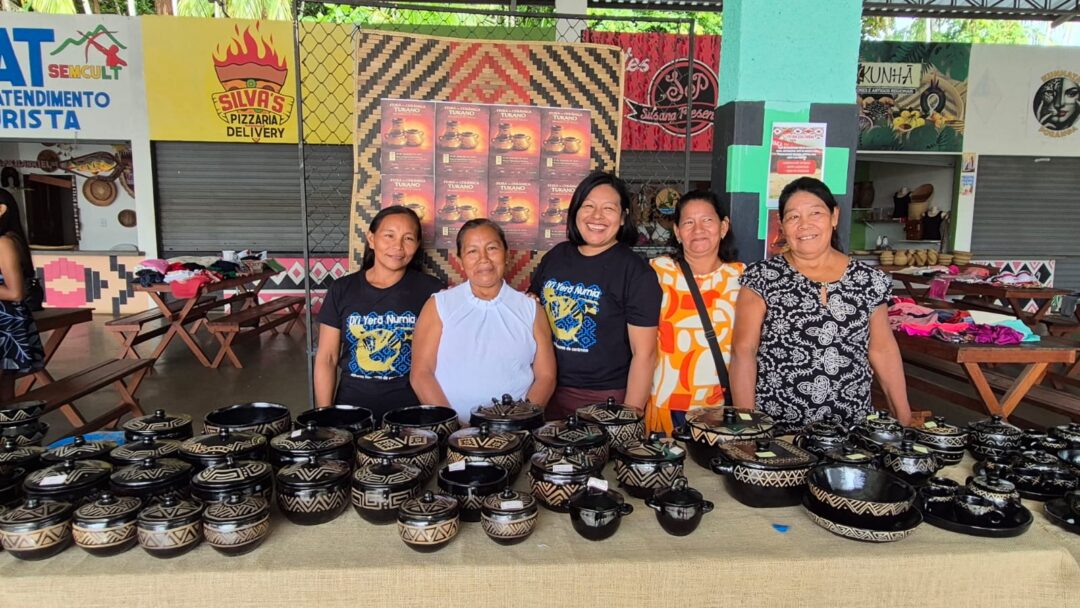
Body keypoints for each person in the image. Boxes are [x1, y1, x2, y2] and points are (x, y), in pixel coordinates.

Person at [730, 177, 912, 431]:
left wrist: (904, 419)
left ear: (834, 216)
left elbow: (882, 350)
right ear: (782, 224)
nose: (805, 225)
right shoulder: (762, 277)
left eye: (815, 213)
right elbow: (743, 351)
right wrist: (748, 426)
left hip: (851, 431)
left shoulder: (869, 280)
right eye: (793, 217)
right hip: (778, 431)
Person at [528, 171, 661, 420]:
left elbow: (644, 354)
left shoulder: (635, 271)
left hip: (604, 399)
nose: (596, 216)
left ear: (623, 217)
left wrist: (627, 418)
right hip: (545, 390)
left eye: (608, 208)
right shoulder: (557, 256)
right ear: (575, 211)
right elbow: (532, 306)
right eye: (588, 206)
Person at [411, 219, 556, 422]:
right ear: (460, 260)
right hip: (453, 431)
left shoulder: (531, 309)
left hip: (516, 432)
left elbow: (546, 376)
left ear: (507, 254)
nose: (484, 259)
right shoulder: (439, 305)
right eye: (472, 251)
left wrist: (518, 422)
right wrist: (454, 427)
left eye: (492, 248)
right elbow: (421, 374)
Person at [314, 206, 444, 422]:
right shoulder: (342, 289)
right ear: (371, 239)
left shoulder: (432, 290)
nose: (398, 246)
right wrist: (325, 415)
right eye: (389, 235)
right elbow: (327, 358)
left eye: (408, 238)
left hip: (411, 412)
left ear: (417, 245)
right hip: (351, 411)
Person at [645, 190, 743, 435]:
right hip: (668, 405)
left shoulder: (742, 278)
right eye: (688, 222)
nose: (698, 229)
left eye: (707, 220)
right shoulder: (656, 272)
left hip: (721, 408)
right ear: (678, 232)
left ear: (723, 226)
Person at [0, 199, 44, 401]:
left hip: (5, 324)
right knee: (5, 390)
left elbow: (15, 293)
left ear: (1, 209)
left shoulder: (4, 242)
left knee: (5, 389)